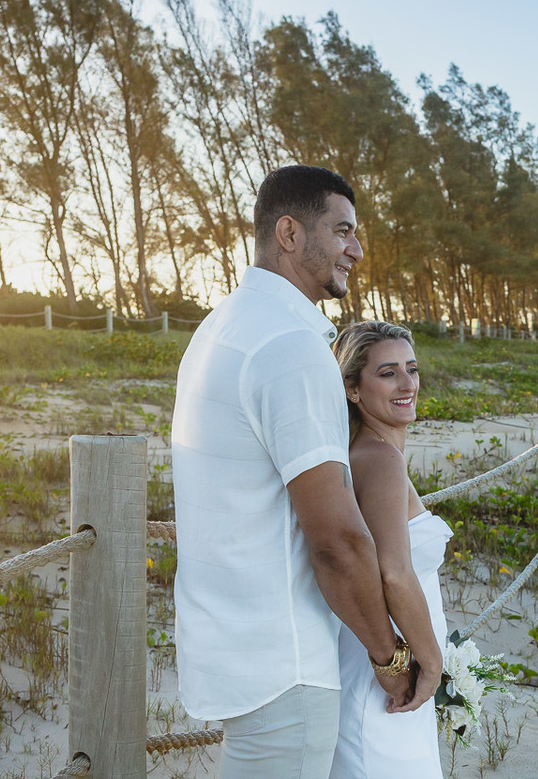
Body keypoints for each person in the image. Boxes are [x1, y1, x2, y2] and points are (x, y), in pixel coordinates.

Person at [171, 165, 431, 778]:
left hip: (229, 641)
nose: (356, 250)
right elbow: (337, 541)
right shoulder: (290, 345)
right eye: (342, 230)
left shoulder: (220, 328)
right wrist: (388, 657)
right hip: (283, 661)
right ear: (288, 232)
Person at [329, 321, 453, 778]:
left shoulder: (370, 451)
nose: (407, 384)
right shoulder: (379, 460)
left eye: (412, 369)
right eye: (388, 373)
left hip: (387, 661)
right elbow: (394, 574)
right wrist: (433, 662)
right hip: (387, 673)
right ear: (353, 389)